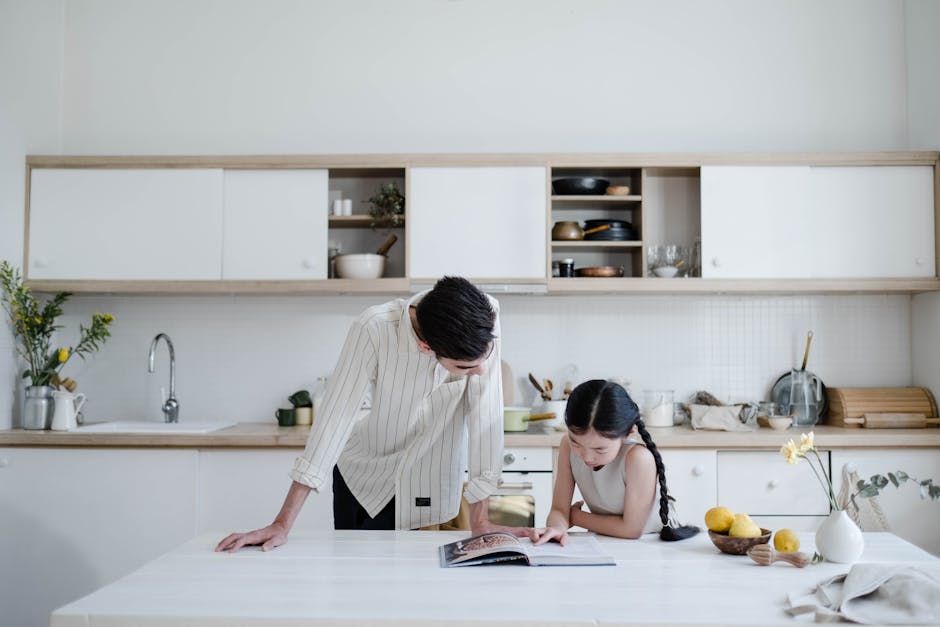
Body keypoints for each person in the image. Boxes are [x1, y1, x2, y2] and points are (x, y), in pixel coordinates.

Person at [217, 276, 533, 552]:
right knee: (361, 590)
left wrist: (481, 519)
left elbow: (485, 417)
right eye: (464, 368)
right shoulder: (374, 328)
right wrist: (282, 524)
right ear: (426, 348)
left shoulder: (486, 316)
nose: (480, 372)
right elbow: (334, 420)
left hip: (431, 484)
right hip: (365, 484)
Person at [533, 379, 699, 546]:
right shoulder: (567, 446)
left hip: (653, 543)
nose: (587, 457)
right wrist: (557, 527)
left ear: (628, 434)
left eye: (600, 450)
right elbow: (558, 510)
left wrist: (575, 517)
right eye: (576, 443)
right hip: (607, 538)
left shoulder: (638, 458)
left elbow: (631, 530)